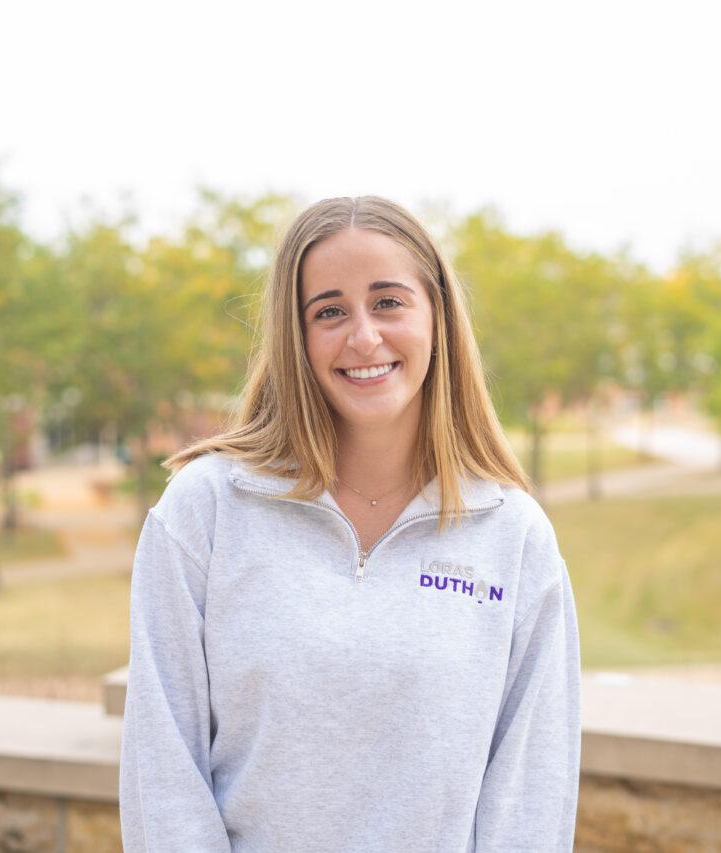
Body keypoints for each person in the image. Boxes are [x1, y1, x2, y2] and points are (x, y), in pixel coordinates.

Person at [119, 196, 581, 852]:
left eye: (388, 301)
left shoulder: (513, 536)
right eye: (330, 311)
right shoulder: (206, 512)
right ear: (296, 336)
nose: (363, 337)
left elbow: (531, 797)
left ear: (437, 317)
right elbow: (161, 774)